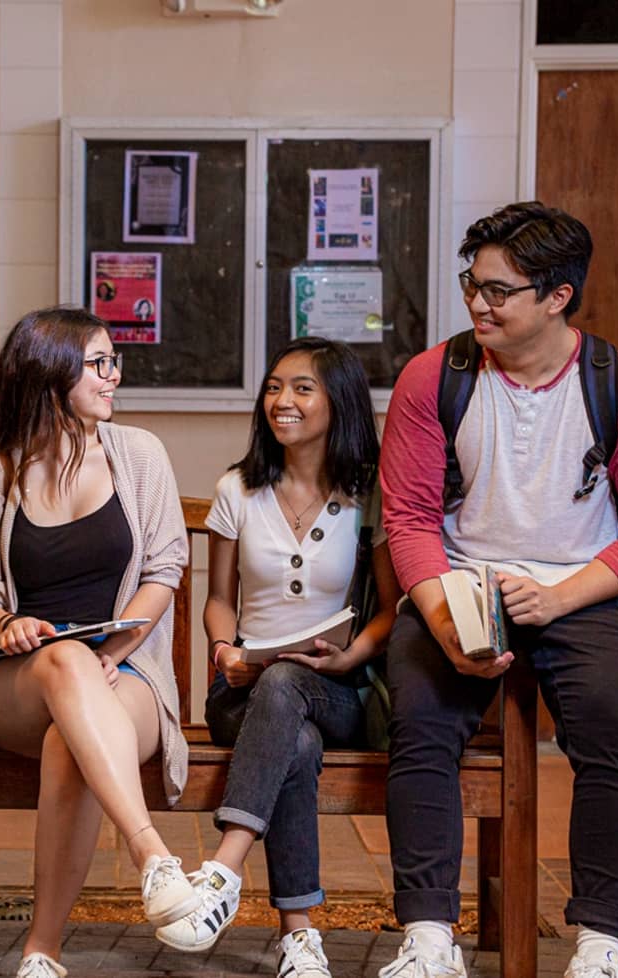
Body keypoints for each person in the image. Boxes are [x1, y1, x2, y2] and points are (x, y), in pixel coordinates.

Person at [377, 202, 618, 978]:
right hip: (460, 583)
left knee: (613, 734)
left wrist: (557, 599)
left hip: (581, 588)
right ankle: (427, 937)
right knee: (418, 724)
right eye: (472, 285)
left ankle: (601, 941)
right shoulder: (434, 377)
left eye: (499, 290)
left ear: (557, 297)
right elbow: (409, 517)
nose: (478, 303)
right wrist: (442, 613)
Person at [0, 307, 194, 978]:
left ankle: (41, 953)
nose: (114, 376)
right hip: (17, 679)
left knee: (72, 739)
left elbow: (163, 571)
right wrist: (6, 625)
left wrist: (112, 654)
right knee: (63, 659)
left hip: (127, 671)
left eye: (114, 361)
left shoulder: (138, 455)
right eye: (99, 363)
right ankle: (154, 857)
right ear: (50, 375)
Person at [153, 338, 399, 977]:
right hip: (243, 690)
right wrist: (223, 649)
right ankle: (298, 938)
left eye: (301, 389)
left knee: (293, 686)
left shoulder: (367, 494)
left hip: (340, 688)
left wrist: (350, 659)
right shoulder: (238, 489)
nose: (280, 402)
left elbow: (389, 612)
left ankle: (222, 870)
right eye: (273, 387)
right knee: (297, 743)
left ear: (337, 402)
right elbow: (217, 600)